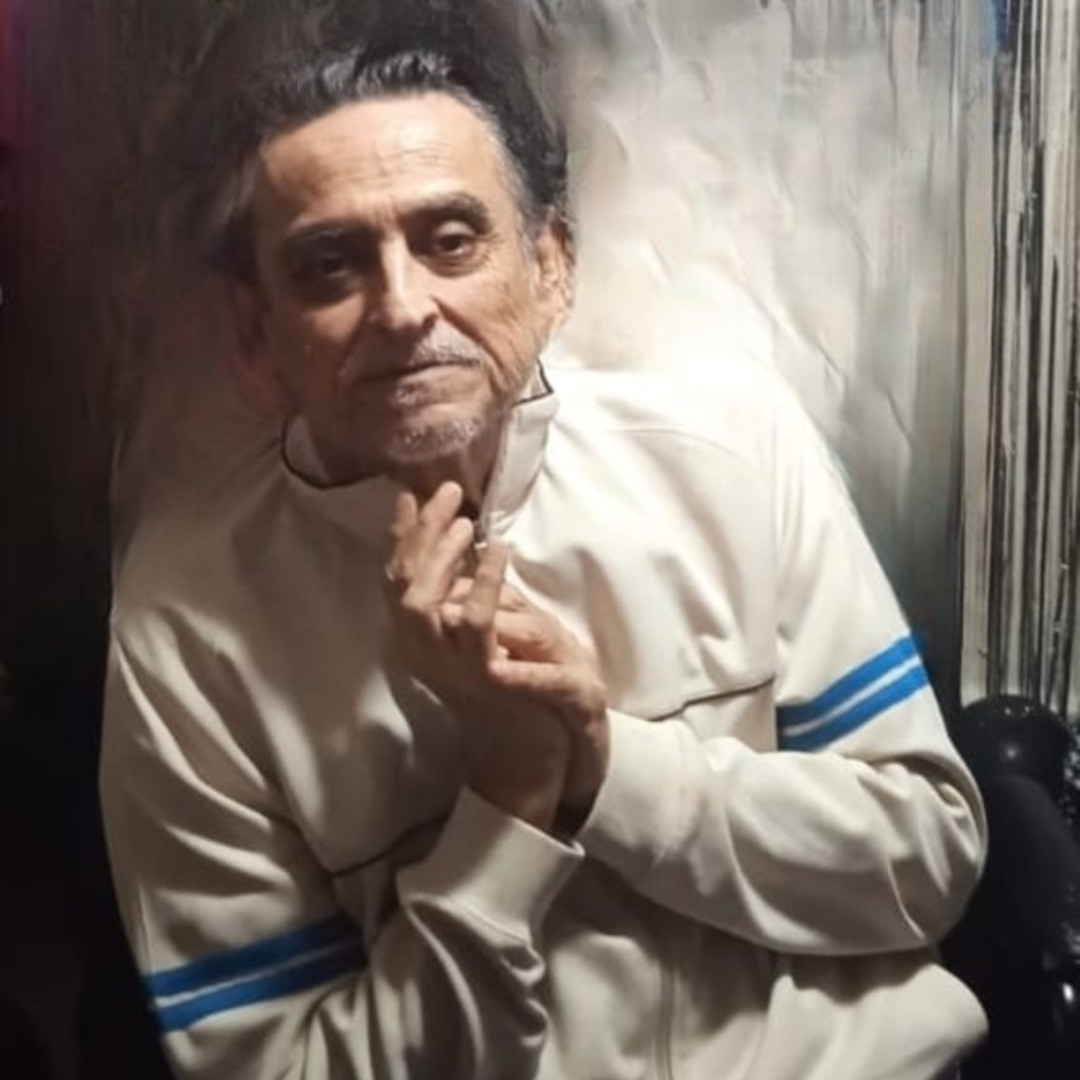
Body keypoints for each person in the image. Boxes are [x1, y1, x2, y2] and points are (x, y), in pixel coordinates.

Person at [99, 12, 989, 1080]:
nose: (403, 308)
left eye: (450, 240)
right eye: (331, 264)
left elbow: (927, 857)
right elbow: (273, 1066)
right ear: (258, 333)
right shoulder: (187, 625)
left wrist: (603, 766)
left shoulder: (729, 446)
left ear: (553, 264)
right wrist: (508, 805)